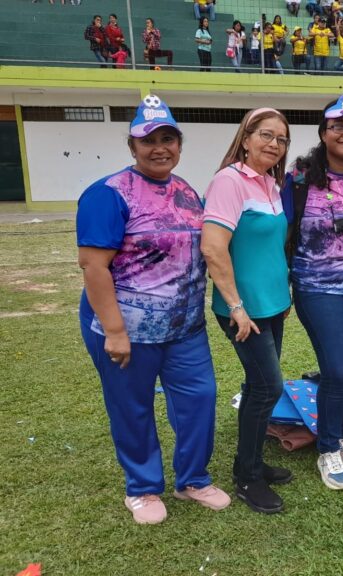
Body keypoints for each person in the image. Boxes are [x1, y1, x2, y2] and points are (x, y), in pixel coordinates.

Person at [77, 94, 230, 525]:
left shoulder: (185, 190)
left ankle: (193, 479)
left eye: (169, 138)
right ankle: (142, 488)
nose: (160, 147)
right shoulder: (108, 194)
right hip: (126, 328)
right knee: (133, 405)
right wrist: (115, 330)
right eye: (149, 140)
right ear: (132, 146)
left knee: (199, 399)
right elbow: (93, 265)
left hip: (185, 328)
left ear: (179, 144)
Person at [281, 91, 343, 490]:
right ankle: (327, 447)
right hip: (318, 287)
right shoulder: (300, 177)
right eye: (339, 126)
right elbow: (280, 228)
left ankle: (342, 432)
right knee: (338, 368)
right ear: (324, 132)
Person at [201, 108, 294, 514]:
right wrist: (237, 307)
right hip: (243, 310)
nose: (274, 144)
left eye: (282, 138)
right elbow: (213, 247)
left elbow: (269, 249)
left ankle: (251, 461)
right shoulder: (230, 181)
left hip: (272, 305)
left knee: (260, 387)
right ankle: (247, 477)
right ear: (246, 137)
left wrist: (282, 298)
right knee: (268, 387)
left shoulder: (272, 184)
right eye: (266, 135)